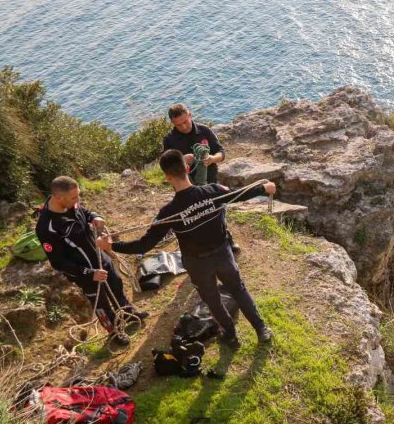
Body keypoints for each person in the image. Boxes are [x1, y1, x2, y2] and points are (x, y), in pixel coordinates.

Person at [97, 149, 276, 349]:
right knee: (238, 290)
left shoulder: (168, 212)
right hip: (223, 254)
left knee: (212, 300)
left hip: (197, 263)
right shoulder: (213, 191)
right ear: (188, 168)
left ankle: (231, 336)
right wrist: (264, 188)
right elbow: (239, 195)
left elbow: (144, 245)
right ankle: (262, 330)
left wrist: (110, 246)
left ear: (167, 177)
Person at [35, 176, 146, 346]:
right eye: (74, 197)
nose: (77, 200)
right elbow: (58, 262)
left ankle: (127, 313)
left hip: (101, 258)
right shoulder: (47, 227)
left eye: (78, 195)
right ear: (58, 198)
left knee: (116, 284)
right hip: (85, 273)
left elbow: (84, 212)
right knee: (100, 302)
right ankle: (114, 331)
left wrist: (95, 216)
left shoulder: (70, 203)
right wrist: (89, 273)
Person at [162, 102, 240, 252]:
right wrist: (182, 160)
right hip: (186, 186)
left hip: (210, 180)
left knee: (218, 210)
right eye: (179, 125)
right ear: (172, 123)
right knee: (193, 217)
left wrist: (212, 159)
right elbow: (166, 165)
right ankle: (198, 246)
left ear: (190, 115)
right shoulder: (169, 140)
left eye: (185, 121)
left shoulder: (205, 131)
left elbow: (221, 152)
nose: (184, 126)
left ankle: (227, 240)